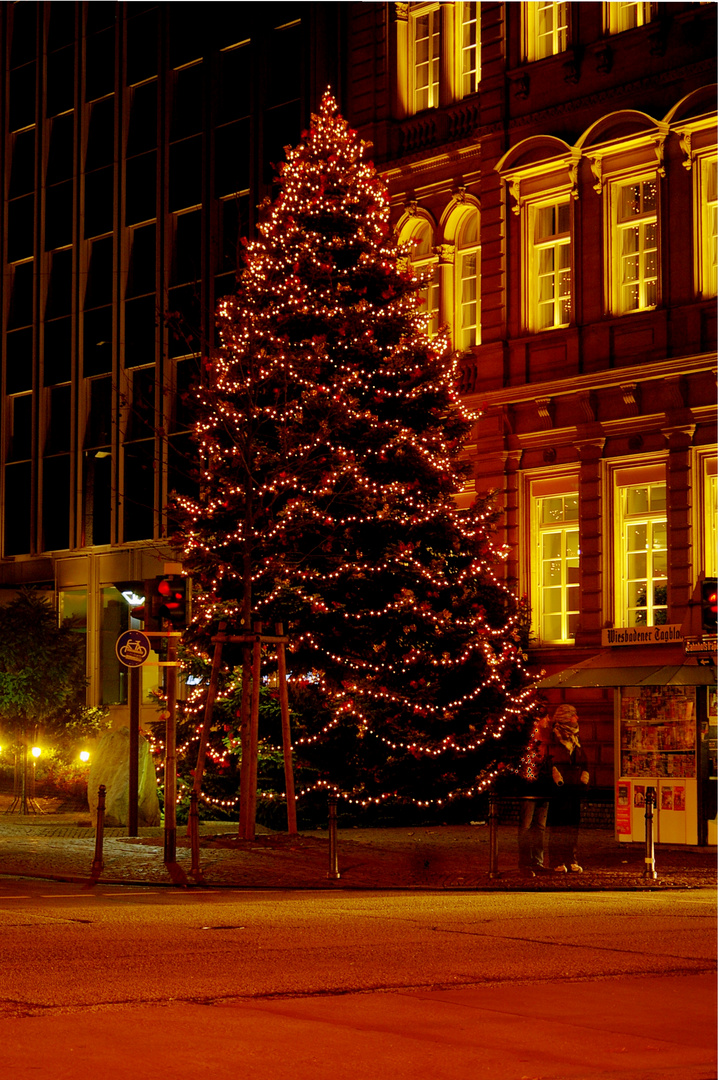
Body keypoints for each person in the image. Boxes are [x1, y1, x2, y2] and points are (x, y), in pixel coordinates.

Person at [545, 704, 590, 872]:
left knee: (572, 825)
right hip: (560, 790)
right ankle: (557, 860)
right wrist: (556, 776)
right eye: (573, 716)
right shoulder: (555, 738)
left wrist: (585, 775)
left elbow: (583, 760)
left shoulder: (575, 738)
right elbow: (551, 761)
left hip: (575, 789)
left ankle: (571, 858)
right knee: (559, 826)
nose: (576, 719)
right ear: (565, 718)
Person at [517, 711, 551, 877]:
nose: (548, 720)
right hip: (531, 787)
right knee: (527, 825)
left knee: (538, 826)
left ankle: (537, 861)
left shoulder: (544, 737)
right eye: (546, 717)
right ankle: (526, 862)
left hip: (541, 787)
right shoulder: (531, 739)